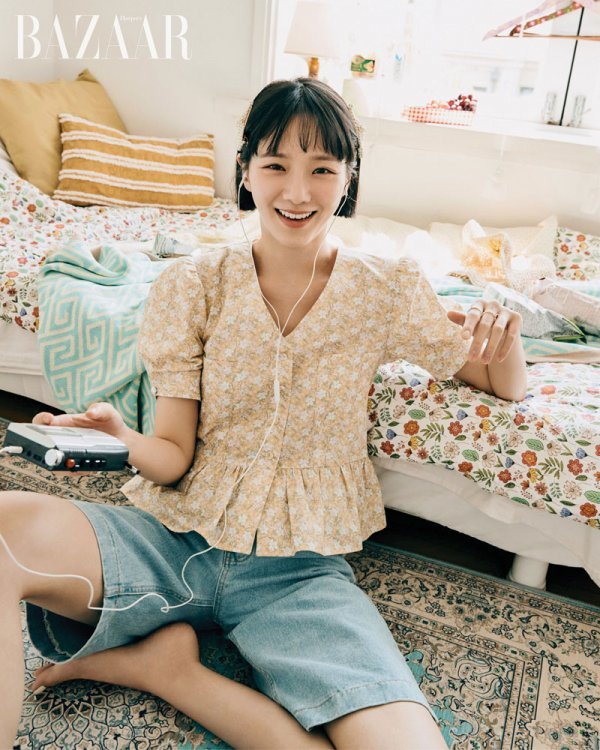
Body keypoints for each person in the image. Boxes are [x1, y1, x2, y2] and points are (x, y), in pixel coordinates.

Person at [0, 77, 527, 750]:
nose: (297, 192)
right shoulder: (194, 284)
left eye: (322, 169)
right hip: (173, 541)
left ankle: (170, 672)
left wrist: (505, 335)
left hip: (297, 573)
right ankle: (162, 656)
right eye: (276, 164)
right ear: (246, 170)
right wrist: (121, 438)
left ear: (349, 178)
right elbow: (172, 456)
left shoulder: (385, 289)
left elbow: (500, 381)